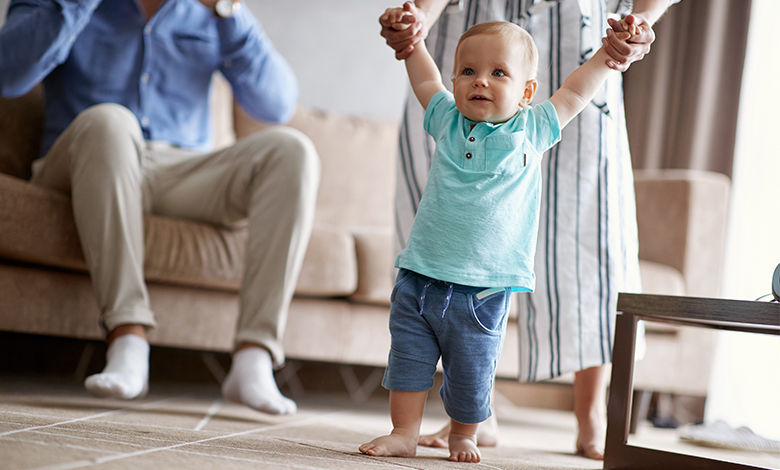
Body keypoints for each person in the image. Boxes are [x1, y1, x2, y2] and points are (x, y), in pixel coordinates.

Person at [378, 0, 674, 459]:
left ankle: (465, 434)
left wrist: (606, 57)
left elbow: (575, 93)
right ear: (455, 81)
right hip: (419, 276)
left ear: (526, 91)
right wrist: (412, 41)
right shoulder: (445, 119)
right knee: (408, 362)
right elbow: (423, 78)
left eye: (499, 74)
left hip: (483, 290)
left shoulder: (532, 128)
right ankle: (403, 432)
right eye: (469, 71)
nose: (481, 80)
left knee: (473, 369)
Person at [0, 0, 319, 415]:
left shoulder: (209, 12)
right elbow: (9, 75)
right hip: (89, 157)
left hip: (182, 171)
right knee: (112, 121)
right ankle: (128, 335)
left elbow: (277, 105)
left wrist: (226, 10)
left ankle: (254, 357)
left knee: (293, 150)